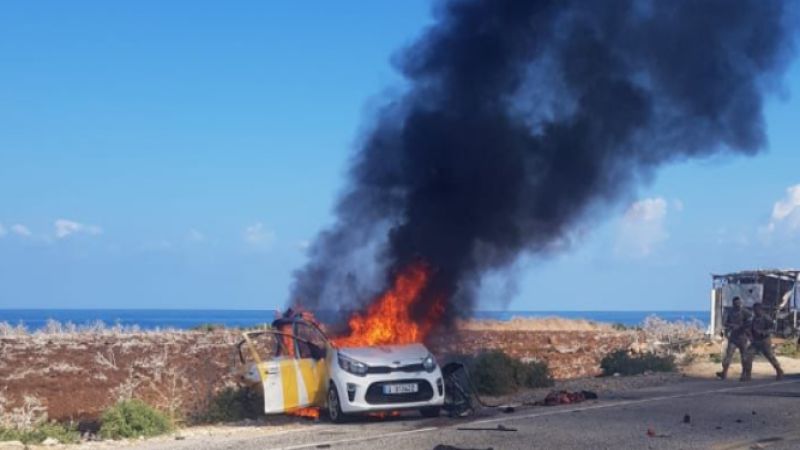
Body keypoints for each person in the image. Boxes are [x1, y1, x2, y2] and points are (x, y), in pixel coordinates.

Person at [742, 302, 784, 381]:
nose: (755, 311)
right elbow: (749, 329)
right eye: (754, 310)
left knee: (770, 357)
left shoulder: (766, 318)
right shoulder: (753, 319)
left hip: (764, 341)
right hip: (755, 341)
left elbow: (773, 328)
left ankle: (779, 370)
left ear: (760, 309)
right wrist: (749, 334)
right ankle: (747, 375)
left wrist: (764, 332)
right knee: (748, 356)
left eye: (756, 309)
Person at [716, 297, 752, 381]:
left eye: (739, 303)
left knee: (744, 357)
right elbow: (725, 323)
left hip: (743, 336)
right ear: (733, 304)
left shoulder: (744, 311)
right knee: (728, 356)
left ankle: (744, 374)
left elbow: (751, 319)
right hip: (733, 337)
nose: (738, 305)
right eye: (736, 303)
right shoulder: (730, 312)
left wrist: (743, 326)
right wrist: (731, 326)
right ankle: (724, 373)